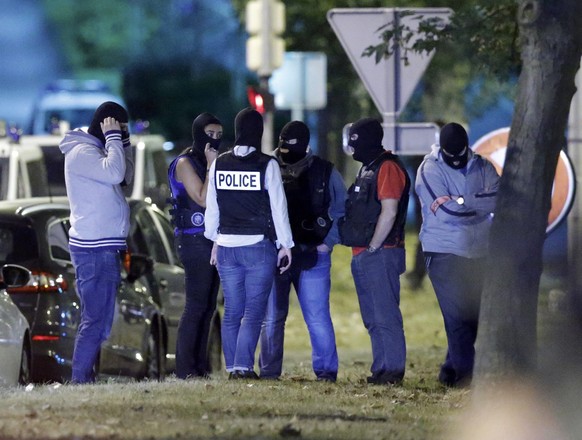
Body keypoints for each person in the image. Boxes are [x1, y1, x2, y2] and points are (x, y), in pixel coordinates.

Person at [204, 107, 294, 379]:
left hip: (227, 246)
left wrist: (215, 240)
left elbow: (213, 206)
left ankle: (232, 367)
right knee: (253, 312)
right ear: (260, 132)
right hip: (257, 246)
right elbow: (279, 207)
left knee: (232, 310)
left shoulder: (219, 163)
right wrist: (286, 244)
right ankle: (243, 368)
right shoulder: (268, 165)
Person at [259, 121, 347, 382]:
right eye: (284, 150)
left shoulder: (325, 172)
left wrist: (327, 243)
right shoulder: (266, 167)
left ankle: (326, 372)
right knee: (273, 318)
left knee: (316, 317)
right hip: (275, 254)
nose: (287, 156)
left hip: (313, 254)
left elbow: (342, 211)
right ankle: (269, 372)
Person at [415, 122, 499, 387]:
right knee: (458, 315)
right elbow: (446, 212)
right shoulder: (429, 170)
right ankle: (466, 377)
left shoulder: (482, 165)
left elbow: (499, 198)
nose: (455, 161)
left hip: (479, 251)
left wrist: (461, 201)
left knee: (473, 316)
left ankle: (450, 370)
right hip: (443, 251)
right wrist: (476, 203)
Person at [59, 101, 134, 384]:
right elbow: (114, 173)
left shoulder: (99, 150)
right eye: (119, 127)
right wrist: (114, 138)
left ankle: (86, 377)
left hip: (105, 246)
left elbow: (125, 177)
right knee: (94, 321)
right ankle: (80, 381)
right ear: (106, 124)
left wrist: (122, 142)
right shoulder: (81, 153)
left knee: (102, 322)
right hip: (92, 248)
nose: (121, 134)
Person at [338, 117, 410, 385]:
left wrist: (372, 247)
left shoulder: (387, 168)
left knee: (385, 315)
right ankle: (381, 369)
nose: (353, 147)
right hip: (365, 253)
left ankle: (392, 370)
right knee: (373, 317)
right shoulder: (369, 167)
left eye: (356, 141)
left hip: (381, 252)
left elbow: (389, 212)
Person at [168, 112, 222, 379]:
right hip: (193, 238)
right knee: (196, 305)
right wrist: (212, 166)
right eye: (209, 134)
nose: (213, 141)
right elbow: (202, 198)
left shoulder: (210, 161)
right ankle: (185, 368)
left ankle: (199, 366)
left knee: (209, 306)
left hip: (213, 238)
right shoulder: (185, 163)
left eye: (218, 136)